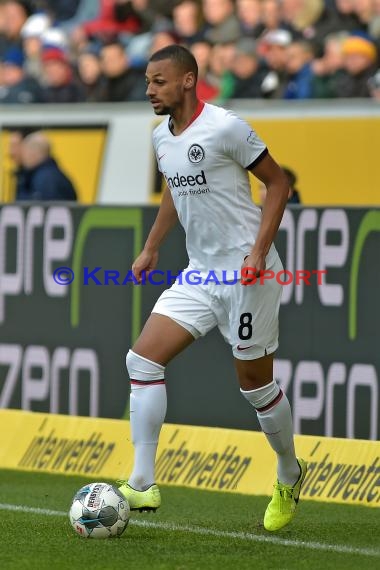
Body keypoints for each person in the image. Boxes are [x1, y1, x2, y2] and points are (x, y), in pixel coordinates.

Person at [117, 44, 307, 533]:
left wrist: (259, 252)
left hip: (249, 274)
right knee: (143, 359)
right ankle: (142, 481)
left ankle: (288, 471)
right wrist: (152, 247)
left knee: (256, 386)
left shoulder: (225, 126)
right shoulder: (162, 136)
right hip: (201, 273)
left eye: (158, 81)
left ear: (187, 80)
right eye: (146, 82)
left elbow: (278, 183)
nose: (149, 90)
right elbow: (174, 190)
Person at [17, 131, 77, 201]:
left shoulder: (45, 180)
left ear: (34, 153)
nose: (23, 157)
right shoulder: (52, 174)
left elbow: (44, 208)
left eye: (24, 152)